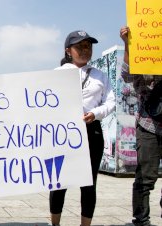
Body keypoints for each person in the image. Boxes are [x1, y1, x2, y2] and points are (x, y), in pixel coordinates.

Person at [49, 30, 115, 226]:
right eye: (79, 46)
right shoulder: (55, 74)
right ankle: (55, 224)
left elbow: (110, 102)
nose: (85, 50)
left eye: (88, 46)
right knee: (59, 182)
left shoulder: (100, 76)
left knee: (89, 183)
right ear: (68, 50)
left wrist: (96, 113)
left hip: (91, 131)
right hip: (63, 134)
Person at [120, 26, 162, 226]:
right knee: (145, 177)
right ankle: (141, 220)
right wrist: (128, 44)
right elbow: (127, 77)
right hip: (148, 124)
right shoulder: (143, 51)